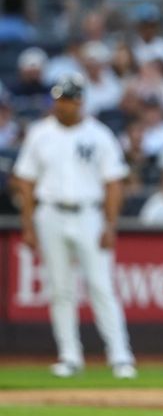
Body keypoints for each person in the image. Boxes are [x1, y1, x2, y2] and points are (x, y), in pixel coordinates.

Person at [12, 73, 137, 379]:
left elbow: (114, 183)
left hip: (89, 214)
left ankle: (120, 356)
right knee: (60, 289)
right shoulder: (40, 133)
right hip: (51, 213)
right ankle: (70, 356)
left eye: (66, 99)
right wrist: (27, 225)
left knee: (101, 286)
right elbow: (25, 181)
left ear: (80, 100)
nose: (61, 105)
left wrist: (110, 224)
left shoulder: (99, 135)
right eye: (58, 99)